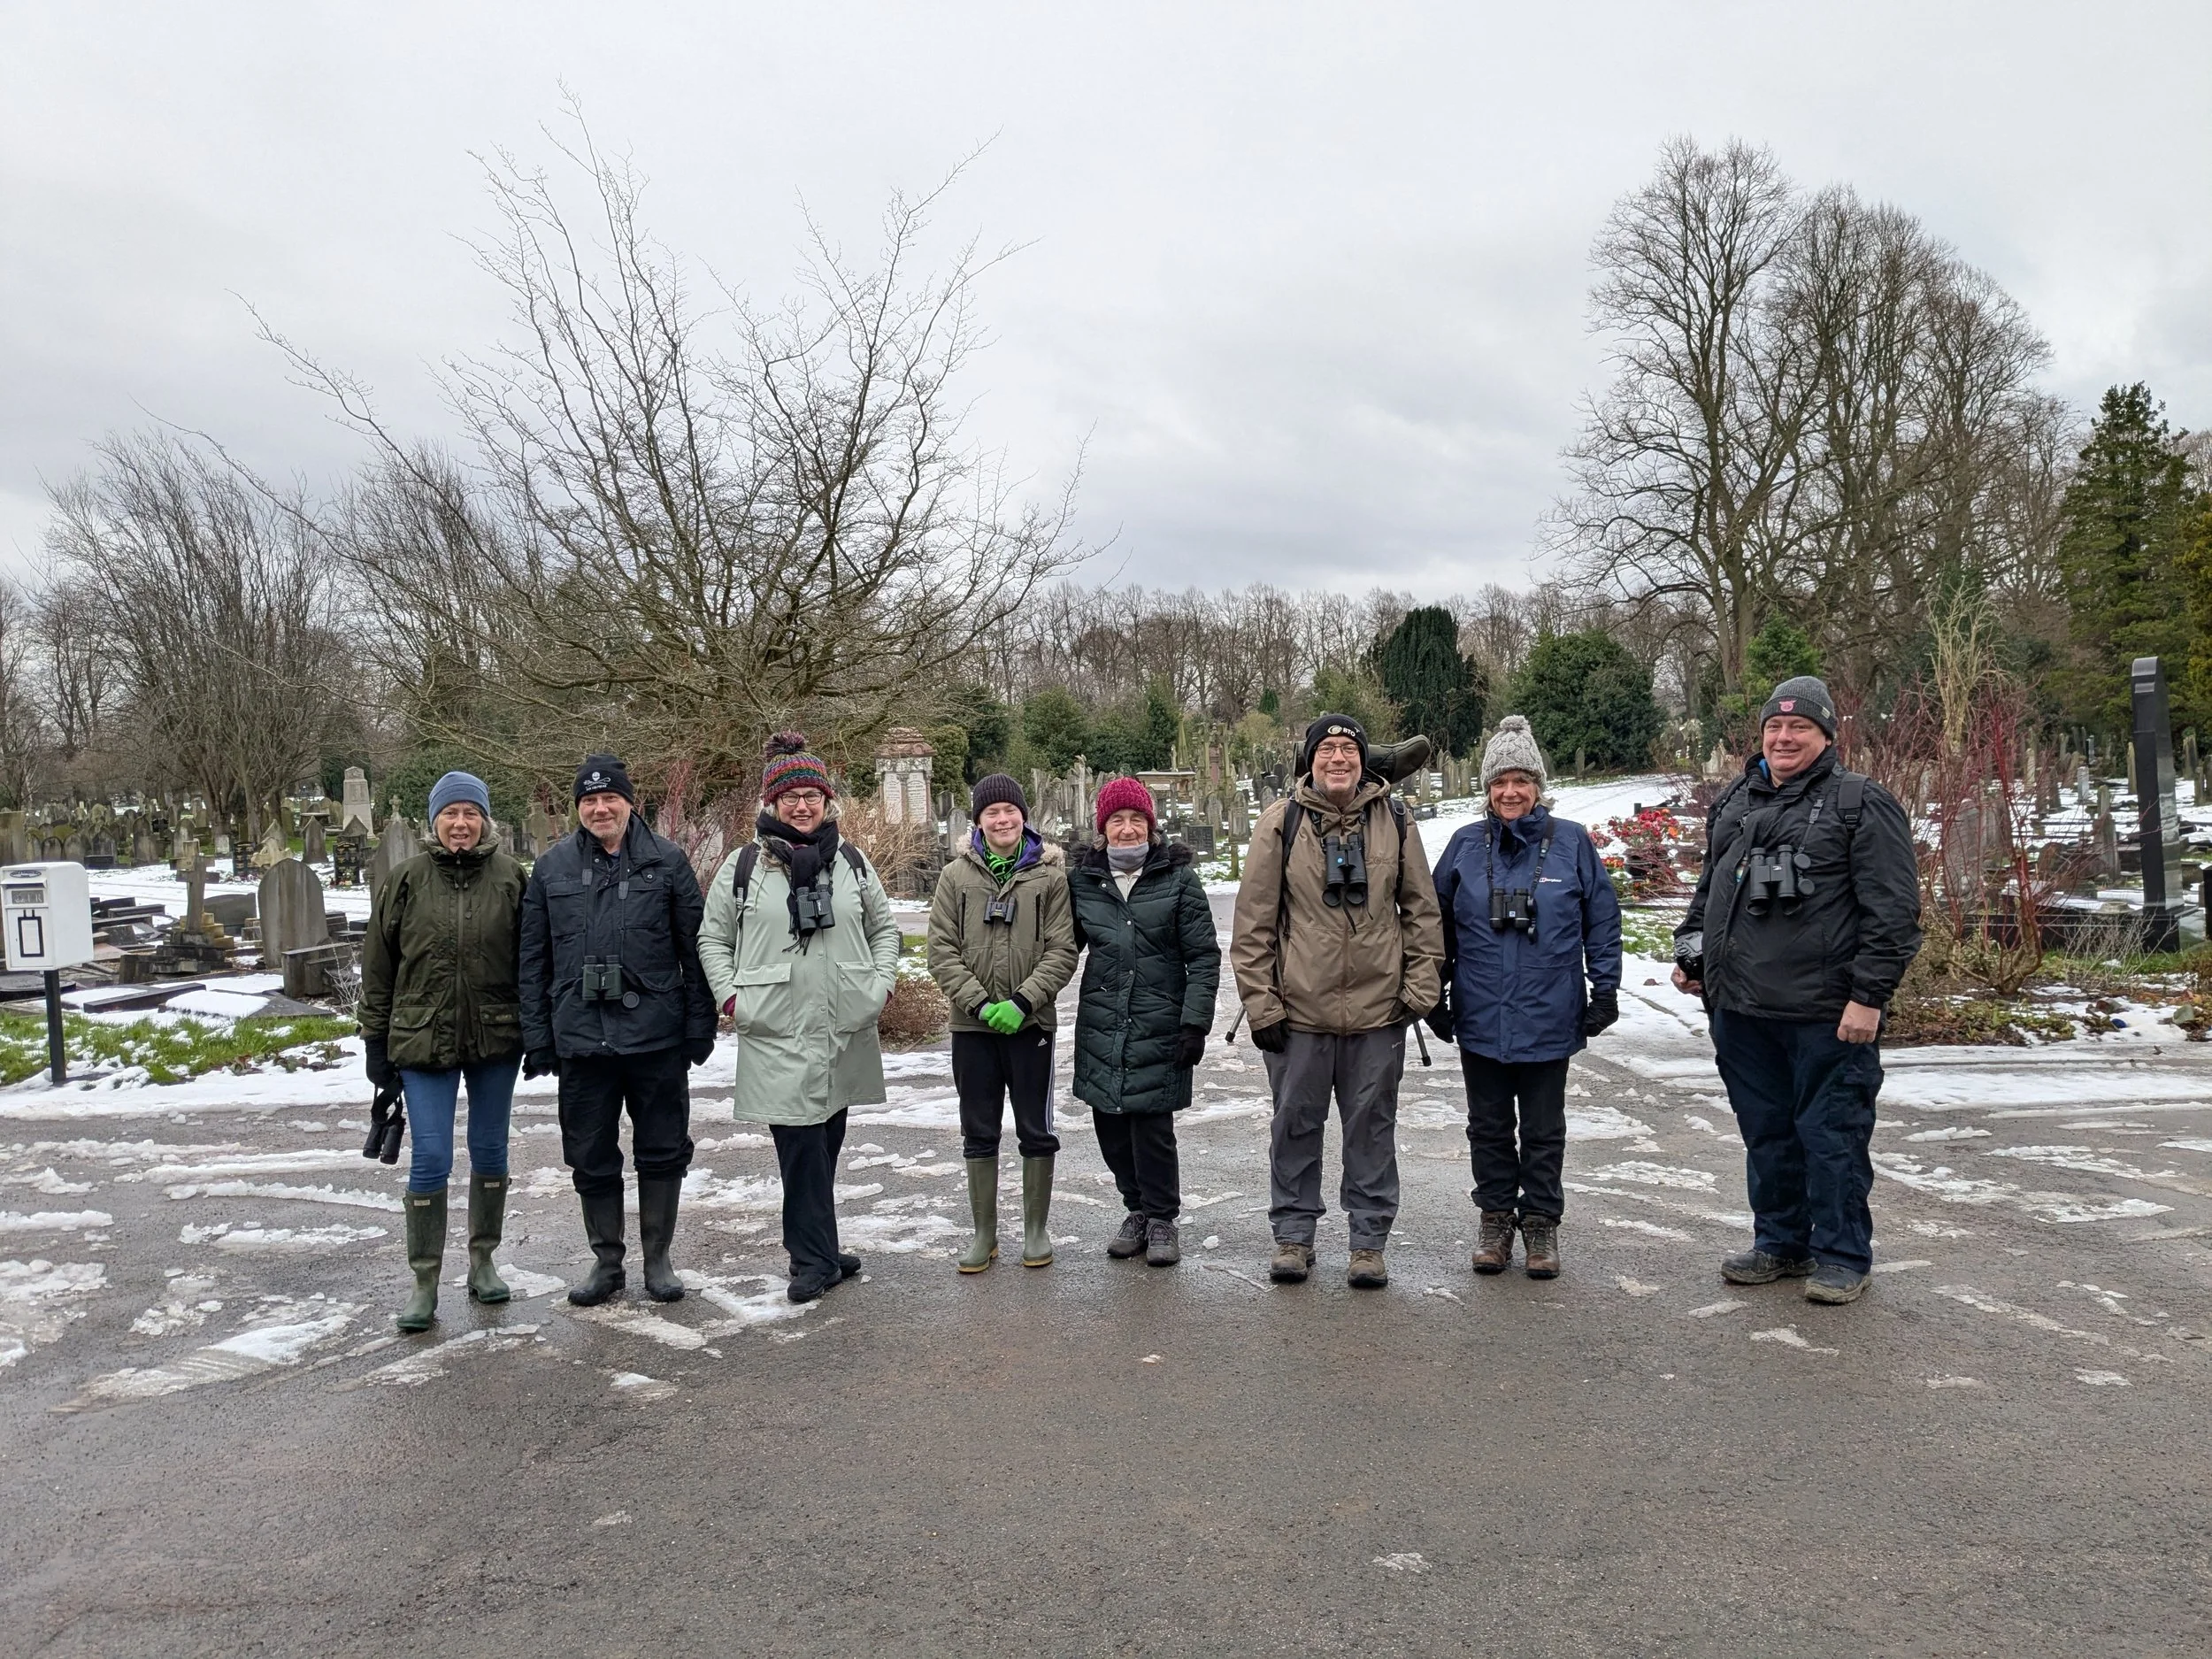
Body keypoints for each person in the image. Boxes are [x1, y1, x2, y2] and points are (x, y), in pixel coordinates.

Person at [1674, 676, 1921, 1305]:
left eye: (1799, 728)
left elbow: (1892, 913)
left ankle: (1842, 1253)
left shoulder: (1859, 803)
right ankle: (1781, 1241)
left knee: (1831, 1134)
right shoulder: (1737, 797)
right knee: (1767, 1133)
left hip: (1825, 1013)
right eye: (1774, 728)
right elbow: (1711, 892)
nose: (1784, 738)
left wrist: (1869, 995)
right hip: (1741, 1010)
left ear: (1827, 734)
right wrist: (1692, 951)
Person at [1230, 713, 1444, 1289]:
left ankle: (1368, 1243)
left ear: (1364, 760)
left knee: (1372, 1128)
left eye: (1349, 748)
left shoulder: (1396, 820)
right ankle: (1294, 1236)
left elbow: (1421, 911)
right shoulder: (1283, 821)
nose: (1339, 759)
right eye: (1327, 750)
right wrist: (1263, 1005)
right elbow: (1252, 924)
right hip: (1298, 1015)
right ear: (1311, 760)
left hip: (1378, 1013)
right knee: (1294, 1125)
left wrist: (1419, 990)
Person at [698, 733, 902, 1303]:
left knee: (827, 1140)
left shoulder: (854, 863)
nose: (802, 806)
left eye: (813, 795)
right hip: (777, 1027)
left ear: (828, 802)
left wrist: (880, 986)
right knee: (800, 1144)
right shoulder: (742, 868)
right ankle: (811, 1260)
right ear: (771, 803)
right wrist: (731, 998)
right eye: (790, 797)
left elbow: (884, 931)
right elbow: (713, 938)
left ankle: (824, 1245)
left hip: (842, 1023)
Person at [519, 753, 718, 1308]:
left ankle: (658, 1258)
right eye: (589, 800)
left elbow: (695, 948)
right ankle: (607, 1261)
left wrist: (699, 1027)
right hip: (582, 1039)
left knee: (662, 1149)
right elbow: (531, 961)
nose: (601, 808)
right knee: (589, 1153)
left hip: (656, 1036)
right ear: (578, 807)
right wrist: (539, 1037)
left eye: (610, 798)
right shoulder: (551, 868)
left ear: (630, 802)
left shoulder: (667, 862)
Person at [1429, 716, 1622, 1279]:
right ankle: (1494, 1217)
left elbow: (1602, 919)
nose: (1510, 792)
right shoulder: (1466, 846)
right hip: (1481, 1013)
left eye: (1521, 781)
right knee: (1487, 1125)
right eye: (1499, 783)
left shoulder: (1571, 844)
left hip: (1549, 1013)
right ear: (1487, 790)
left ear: (1538, 786)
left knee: (1543, 1128)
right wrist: (1431, 994)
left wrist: (1604, 987)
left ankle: (1540, 1222)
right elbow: (1434, 924)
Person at [358, 771, 528, 1333]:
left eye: (471, 813)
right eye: (450, 813)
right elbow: (379, 969)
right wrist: (375, 1042)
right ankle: (425, 1279)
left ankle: (484, 1261)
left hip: (495, 1036)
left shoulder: (511, 879)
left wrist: (539, 1030)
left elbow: (533, 962)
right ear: (436, 820)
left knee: (491, 1151)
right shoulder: (405, 880)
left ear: (485, 819)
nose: (461, 823)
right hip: (420, 1037)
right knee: (431, 1157)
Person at [927, 773, 1079, 1273]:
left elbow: (1062, 950)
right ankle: (984, 1234)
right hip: (972, 1029)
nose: (1002, 819)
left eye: (1009, 811)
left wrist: (1022, 1002)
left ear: (1023, 816)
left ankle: (1035, 1229)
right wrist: (978, 1003)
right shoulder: (955, 877)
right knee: (979, 1128)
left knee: (1036, 1129)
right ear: (978, 822)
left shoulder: (1050, 878)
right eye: (991, 813)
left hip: (1032, 1026)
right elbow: (941, 951)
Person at [1066, 777, 1221, 1267]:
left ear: (1150, 826)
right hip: (1102, 1025)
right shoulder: (1083, 882)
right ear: (1102, 828)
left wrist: (1195, 1023)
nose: (1128, 829)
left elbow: (1204, 956)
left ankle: (1161, 1219)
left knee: (1152, 1129)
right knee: (1110, 1125)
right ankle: (1134, 1209)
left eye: (1137, 820)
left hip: (1161, 1024)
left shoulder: (1177, 879)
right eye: (1118, 820)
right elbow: (1057, 947)